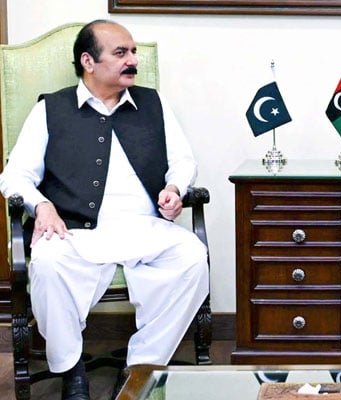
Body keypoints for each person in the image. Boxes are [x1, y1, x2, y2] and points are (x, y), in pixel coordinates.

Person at [0, 20, 210, 400]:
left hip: (144, 228)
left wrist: (174, 188)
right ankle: (72, 371)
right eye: (121, 53)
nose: (133, 61)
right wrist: (42, 205)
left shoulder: (153, 103)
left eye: (133, 52)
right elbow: (14, 176)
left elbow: (183, 161)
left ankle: (141, 367)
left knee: (193, 257)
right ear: (88, 62)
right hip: (75, 231)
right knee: (46, 264)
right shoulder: (51, 109)